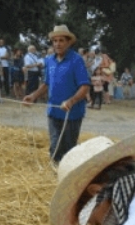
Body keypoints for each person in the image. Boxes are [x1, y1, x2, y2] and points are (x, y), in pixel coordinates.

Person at [22, 25, 90, 164]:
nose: (57, 44)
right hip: (53, 111)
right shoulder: (50, 60)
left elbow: (84, 86)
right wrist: (33, 96)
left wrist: (71, 101)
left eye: (61, 40)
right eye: (55, 41)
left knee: (69, 149)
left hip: (72, 114)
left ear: (68, 42)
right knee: (55, 145)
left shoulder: (76, 60)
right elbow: (46, 84)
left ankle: (68, 174)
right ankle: (54, 173)